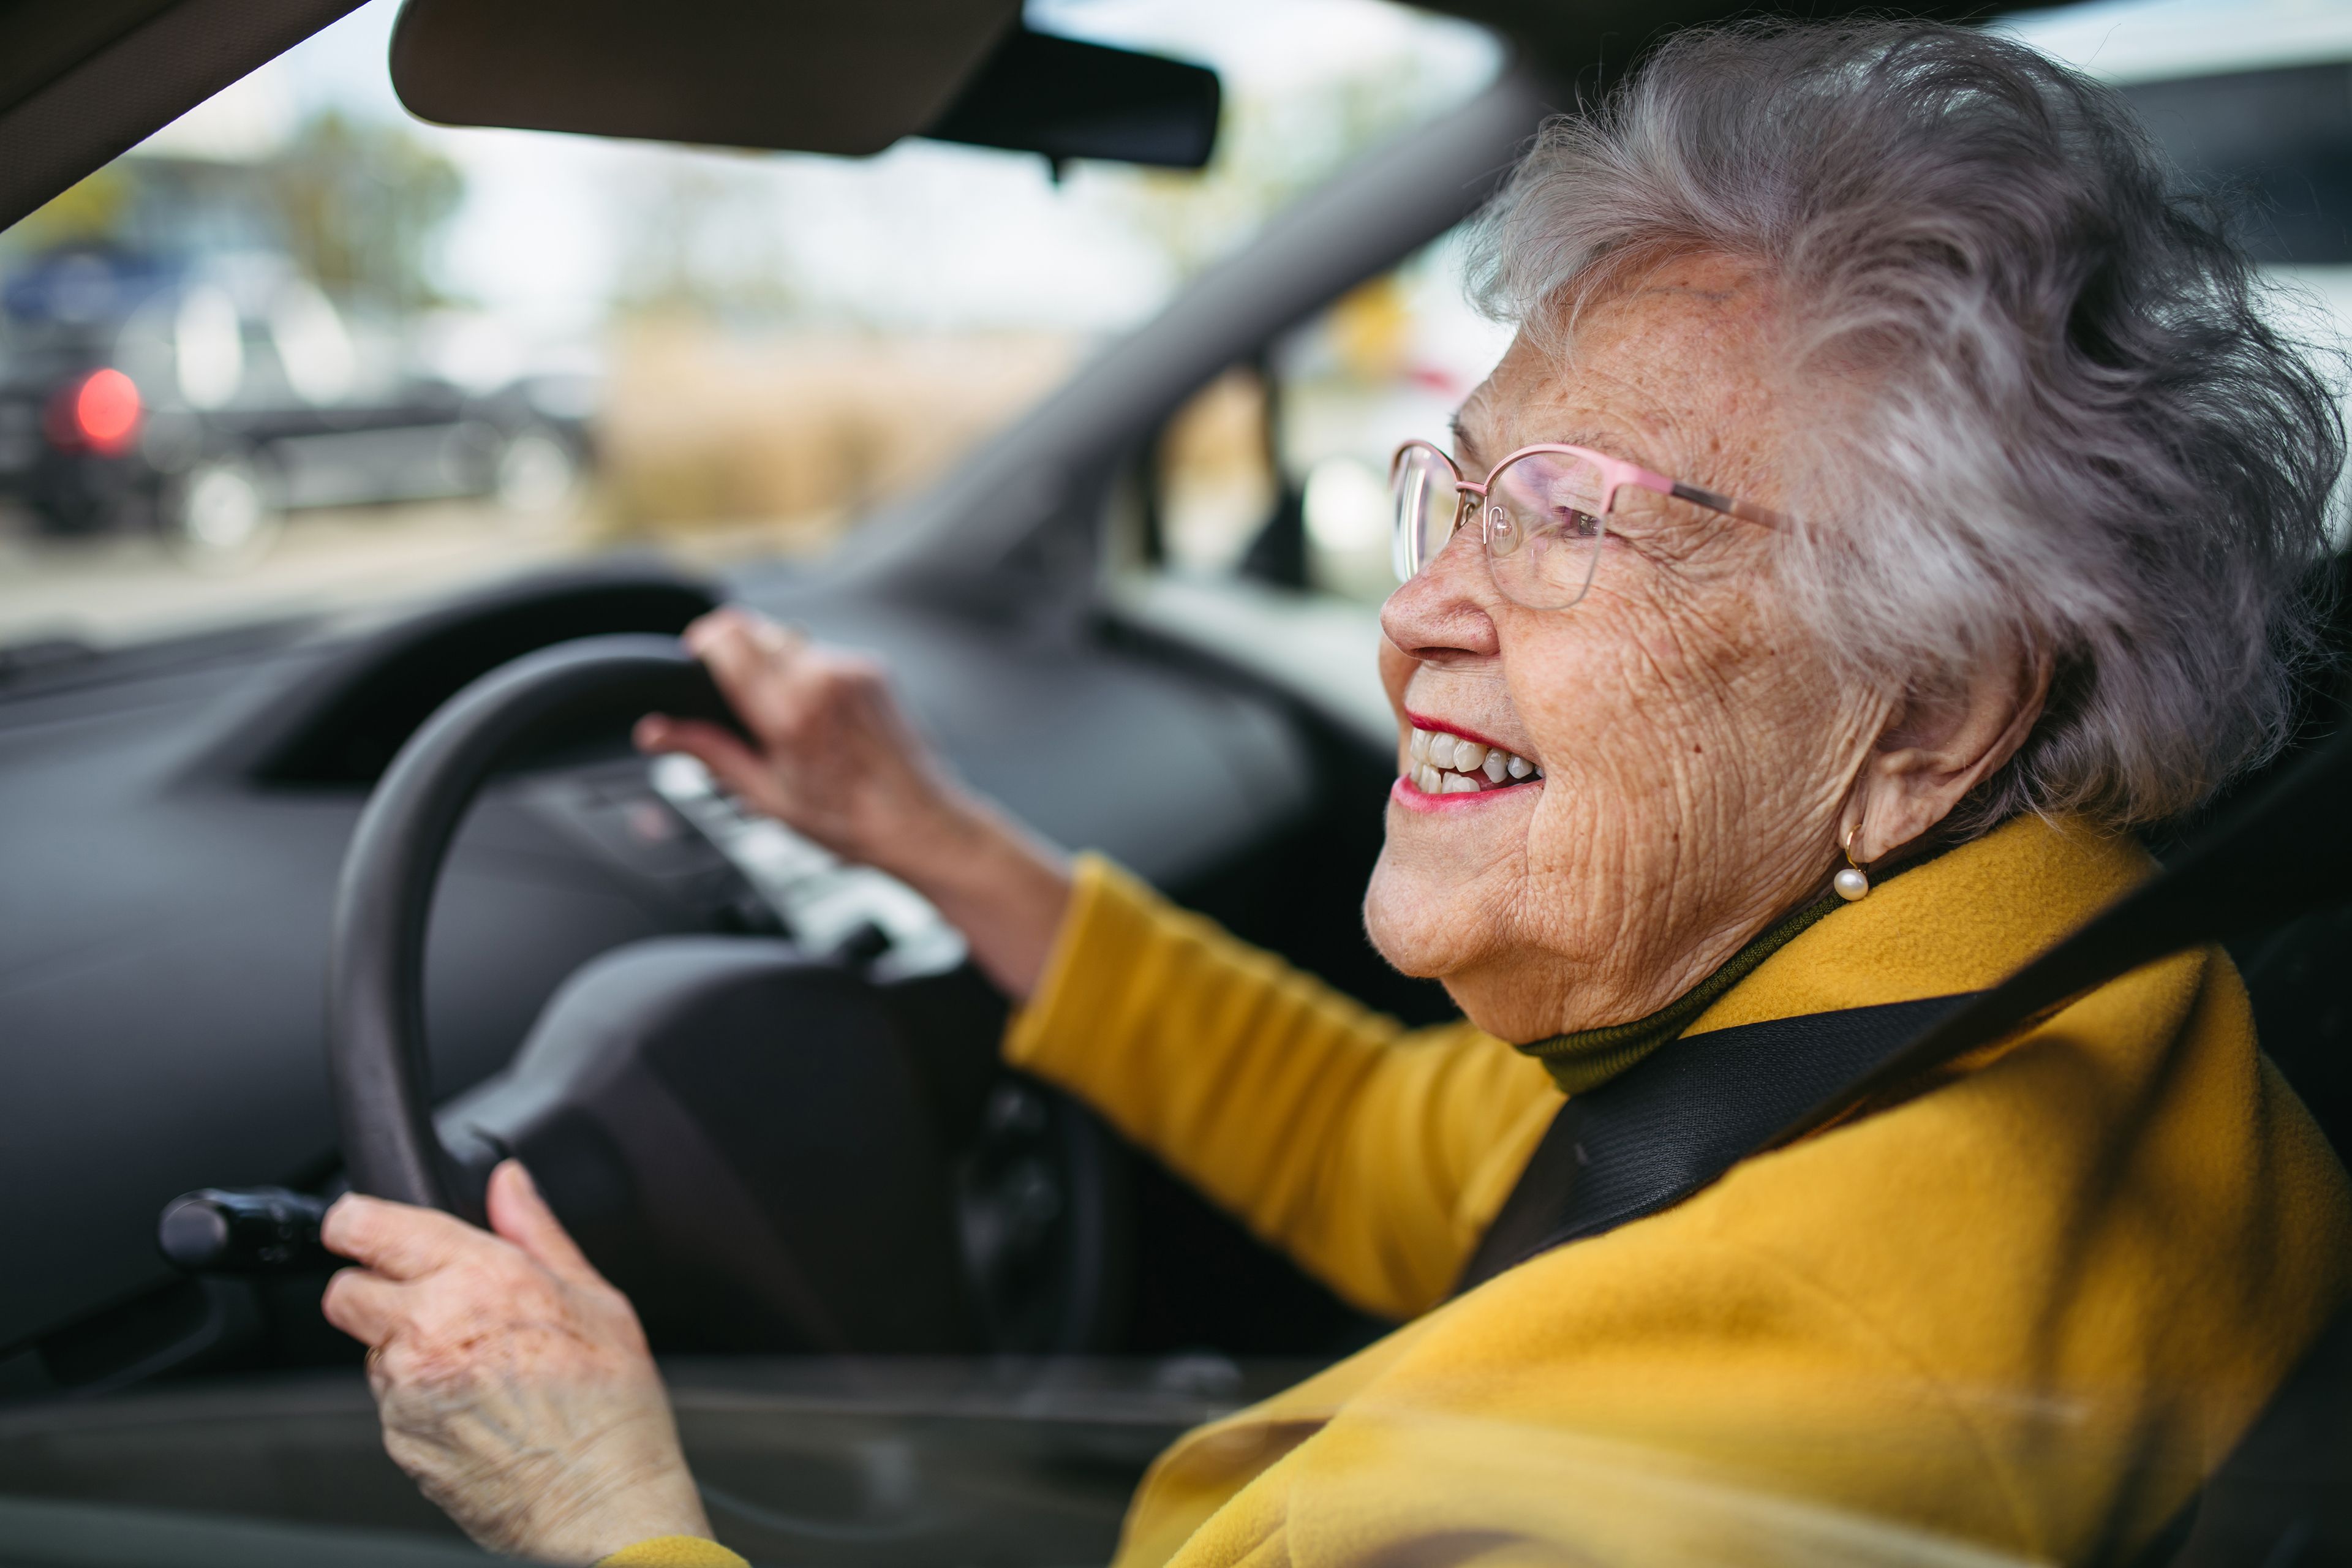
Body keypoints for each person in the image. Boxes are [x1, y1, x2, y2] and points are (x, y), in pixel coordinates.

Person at [317, 20, 2352, 1566]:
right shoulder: (2029, 980)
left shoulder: (1636, 1468)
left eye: (1570, 520)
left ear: (1929, 716)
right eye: (1452, 491)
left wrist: (608, 1507)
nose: (1422, 614)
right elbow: (1412, 1146)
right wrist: (938, 844)